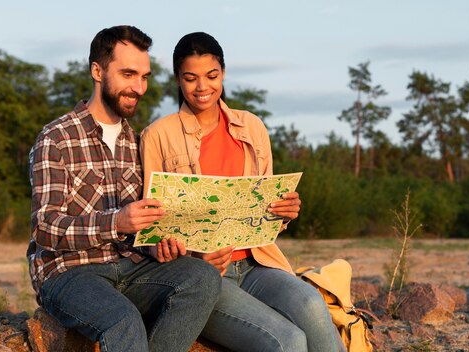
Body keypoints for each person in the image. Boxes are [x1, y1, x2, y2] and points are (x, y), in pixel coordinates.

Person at [140, 32, 344, 352]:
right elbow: (152, 223)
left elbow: (267, 202)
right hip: (203, 275)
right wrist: (172, 248)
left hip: (256, 263)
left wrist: (284, 212)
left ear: (223, 73)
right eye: (190, 78)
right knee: (288, 341)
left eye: (211, 76)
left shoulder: (251, 126)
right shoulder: (157, 135)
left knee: (311, 304)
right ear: (178, 79)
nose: (202, 87)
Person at [27, 26, 221, 352]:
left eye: (144, 76)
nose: (139, 87)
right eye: (128, 74)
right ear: (97, 71)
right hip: (69, 273)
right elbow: (46, 229)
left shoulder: (137, 141)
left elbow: (141, 226)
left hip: (130, 267)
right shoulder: (56, 138)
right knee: (123, 319)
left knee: (203, 278)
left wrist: (158, 246)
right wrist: (116, 222)